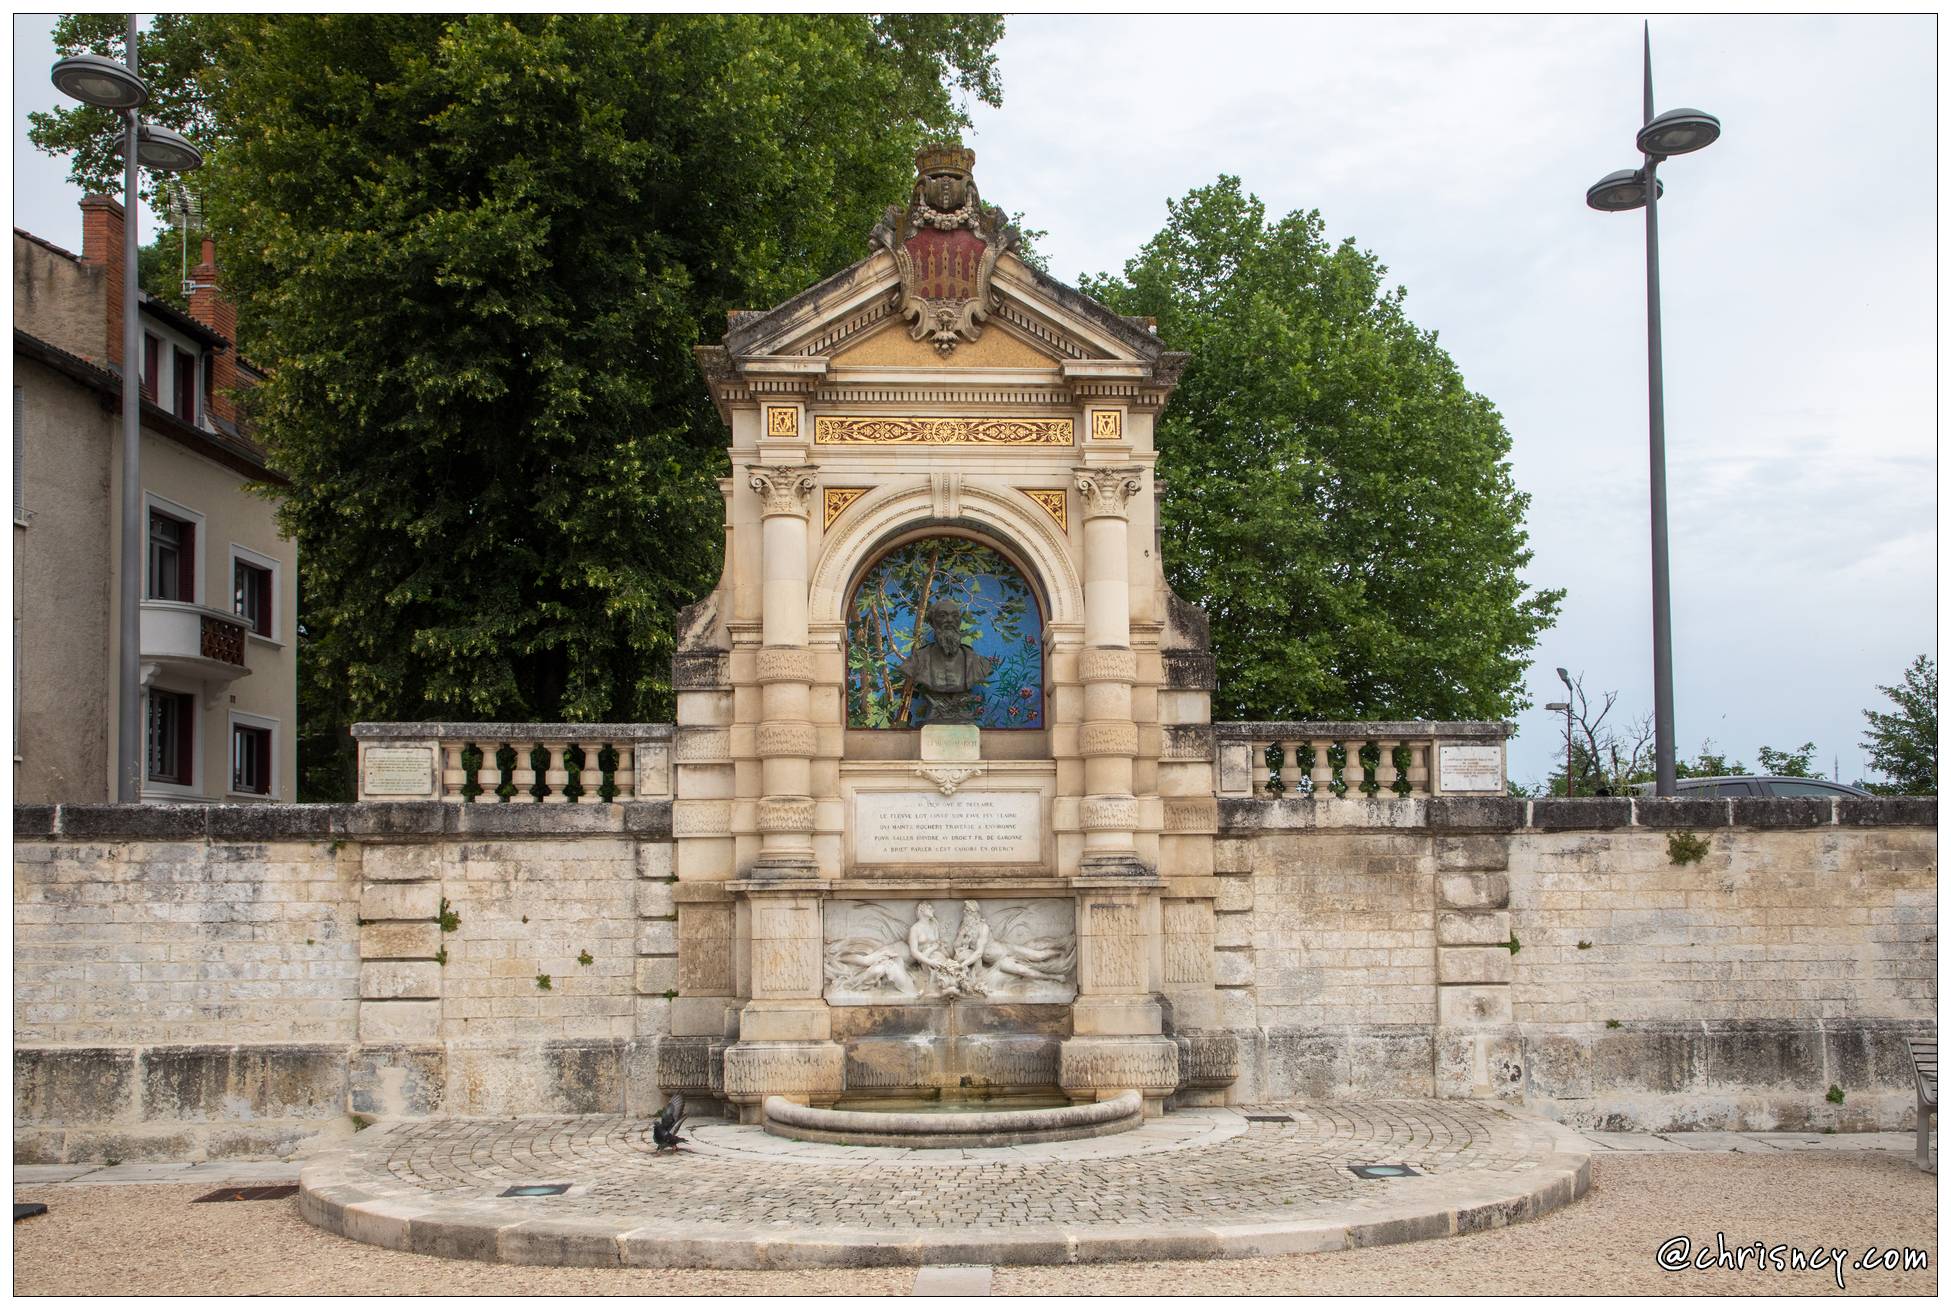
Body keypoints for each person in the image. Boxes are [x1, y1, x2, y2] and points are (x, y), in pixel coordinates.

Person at [899, 598, 996, 724]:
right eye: (942, 615)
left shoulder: (977, 662)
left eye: (955, 616)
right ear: (932, 622)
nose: (949, 620)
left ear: (959, 622)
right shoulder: (917, 661)